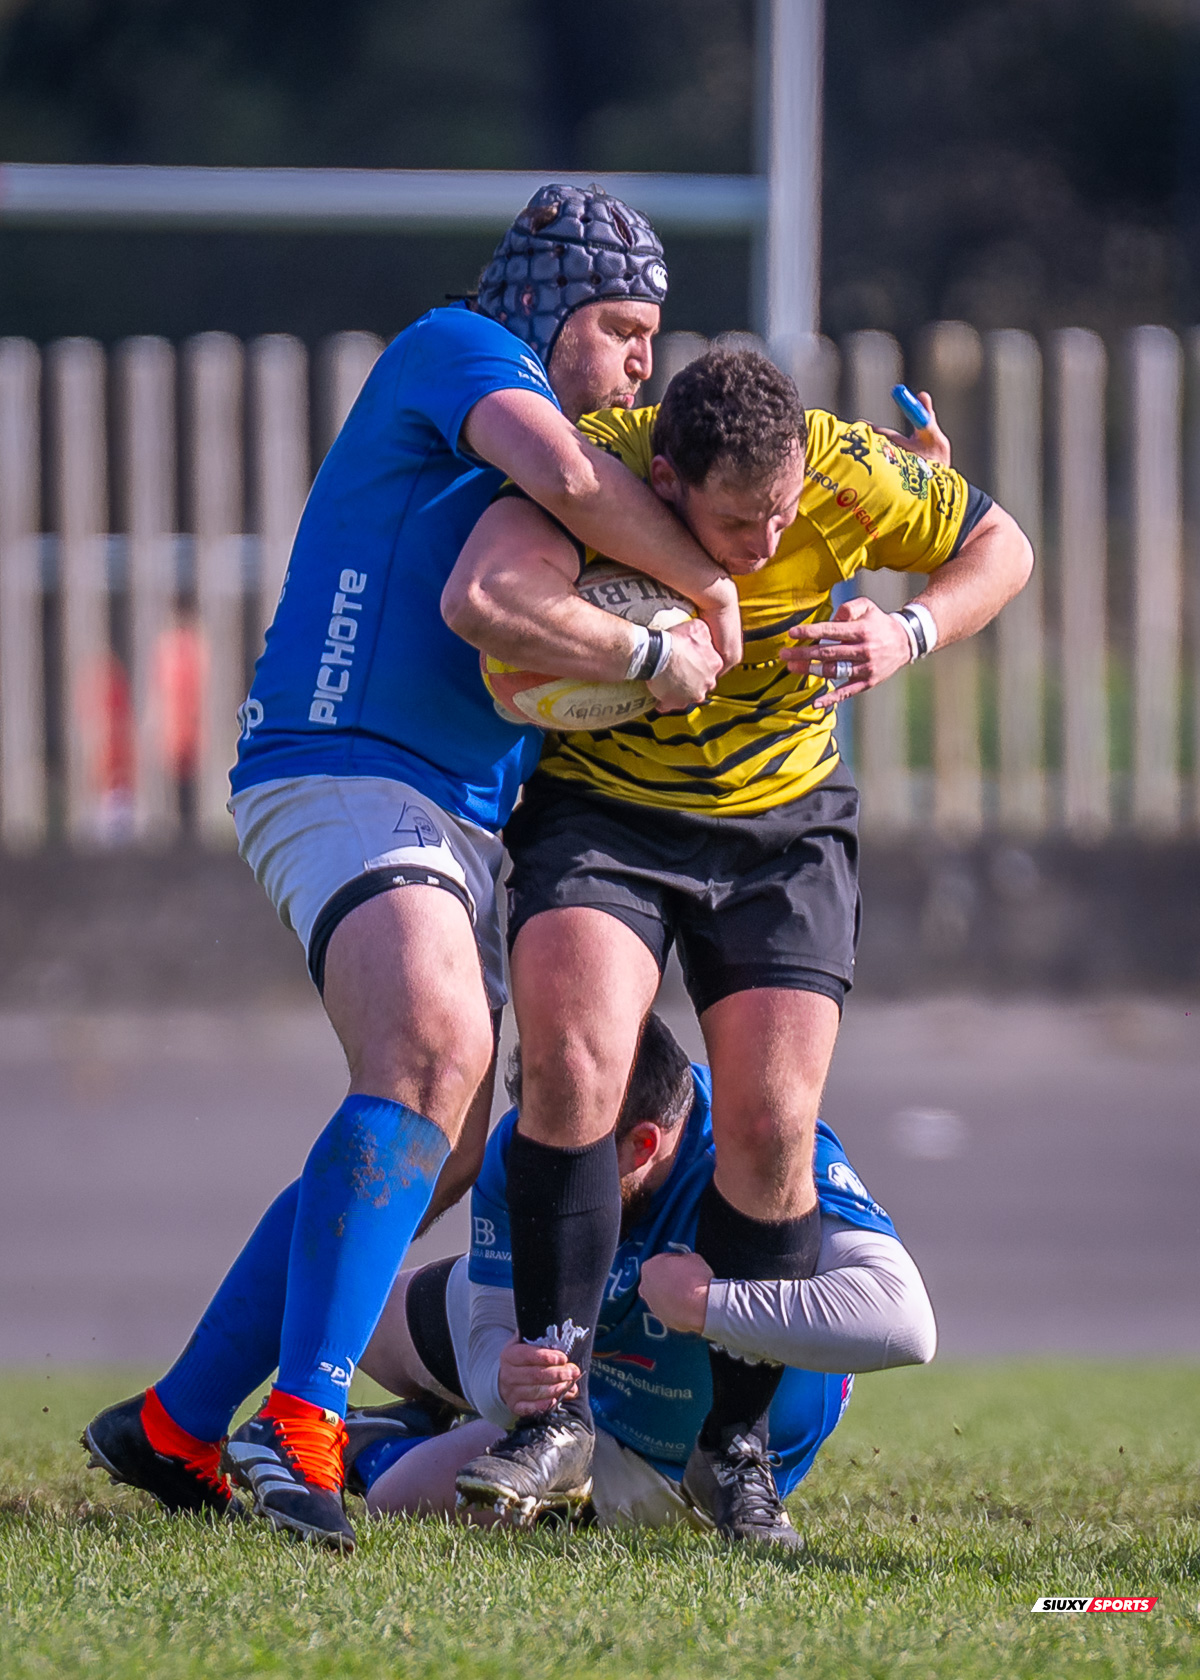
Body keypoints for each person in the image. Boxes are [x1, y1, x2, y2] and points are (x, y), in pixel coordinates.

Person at [82, 185, 741, 1554]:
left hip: (446, 807)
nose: (639, 361)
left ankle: (183, 1420)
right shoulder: (462, 348)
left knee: (438, 1140)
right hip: (343, 759)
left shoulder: (563, 413)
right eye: (621, 327)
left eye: (652, 336)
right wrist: (705, 592)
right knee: (440, 1046)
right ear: (552, 303)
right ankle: (304, 1421)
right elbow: (563, 481)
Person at [442, 347, 1031, 1540]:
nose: (762, 547)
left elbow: (1002, 548)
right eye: (731, 523)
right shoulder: (595, 465)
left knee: (772, 1132)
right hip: (606, 817)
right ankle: (551, 1415)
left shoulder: (848, 472)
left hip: (785, 831)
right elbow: (484, 595)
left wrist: (911, 631)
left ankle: (737, 1444)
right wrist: (637, 653)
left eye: (777, 516)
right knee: (572, 1067)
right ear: (664, 481)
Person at [325, 1013, 936, 1541]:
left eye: (573, 1154)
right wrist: (499, 1378)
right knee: (361, 1318)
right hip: (593, 1345)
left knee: (401, 1496)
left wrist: (707, 1305)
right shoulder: (532, 1138)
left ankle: (367, 1443)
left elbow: (907, 1324)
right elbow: (491, 1316)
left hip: (661, 1453)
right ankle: (403, 1414)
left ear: (642, 1144)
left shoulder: (761, 1144)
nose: (544, 1156)